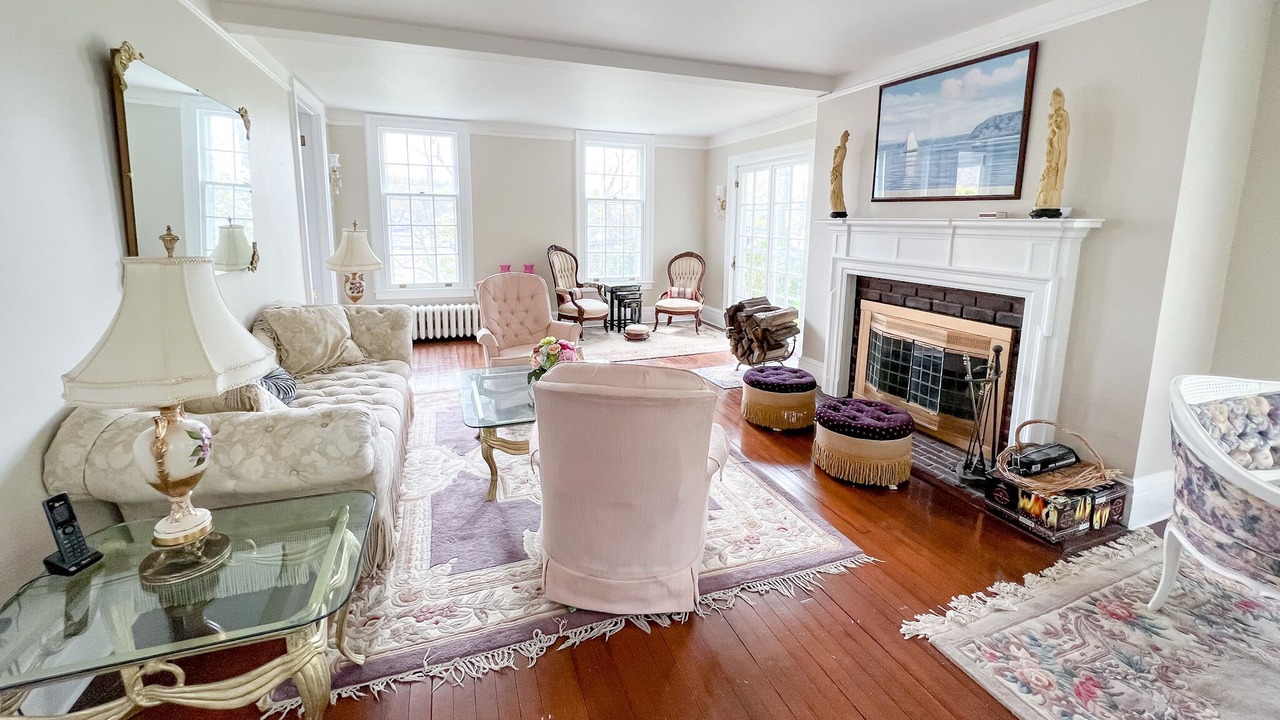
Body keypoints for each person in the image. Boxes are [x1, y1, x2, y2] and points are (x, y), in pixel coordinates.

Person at [1034, 88, 1070, 210]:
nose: (1051, 104)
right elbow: (1050, 136)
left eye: (1053, 101)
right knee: (1046, 172)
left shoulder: (1063, 115)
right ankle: (1041, 201)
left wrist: (1056, 127)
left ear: (1060, 102)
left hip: (1058, 151)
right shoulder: (1053, 116)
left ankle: (1050, 201)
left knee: (1052, 174)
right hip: (1051, 150)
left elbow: (1063, 135)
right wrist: (1049, 143)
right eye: (1051, 101)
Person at [830, 130, 850, 217]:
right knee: (834, 191)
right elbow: (836, 160)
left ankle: (838, 207)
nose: (842, 141)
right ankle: (837, 207)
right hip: (835, 174)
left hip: (837, 174)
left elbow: (839, 161)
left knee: (836, 191)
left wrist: (833, 168)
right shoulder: (840, 149)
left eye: (843, 139)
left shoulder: (843, 149)